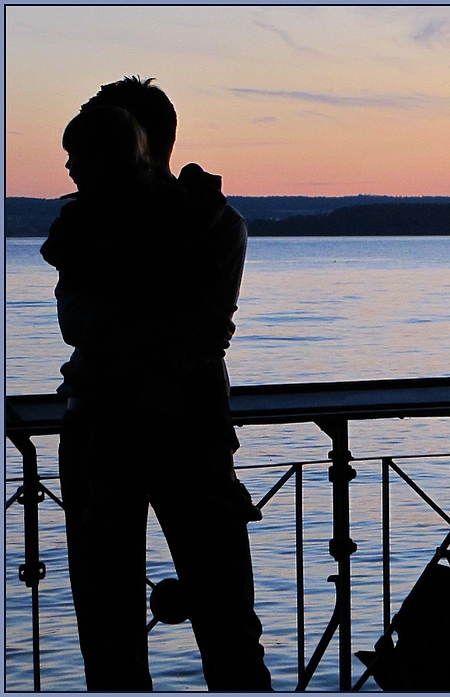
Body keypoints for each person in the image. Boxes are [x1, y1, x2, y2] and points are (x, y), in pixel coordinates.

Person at [41, 79, 272, 691]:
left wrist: (120, 343)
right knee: (132, 632)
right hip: (157, 431)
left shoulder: (210, 224)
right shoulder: (102, 226)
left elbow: (187, 334)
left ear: (141, 142)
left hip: (148, 435)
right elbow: (89, 323)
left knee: (201, 629)